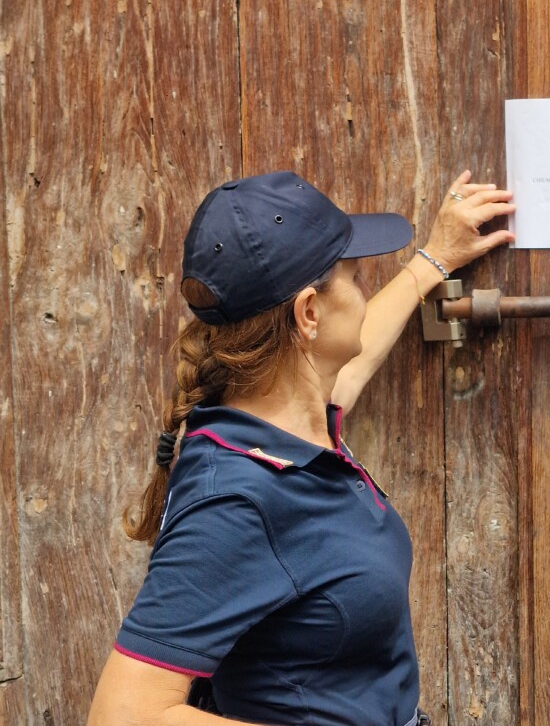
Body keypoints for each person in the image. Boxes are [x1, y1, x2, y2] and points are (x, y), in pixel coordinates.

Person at [88, 169, 514, 726]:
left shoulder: (285, 424)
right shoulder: (239, 497)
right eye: (355, 279)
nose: (363, 294)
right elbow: (123, 716)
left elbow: (347, 371)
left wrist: (434, 259)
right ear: (309, 313)